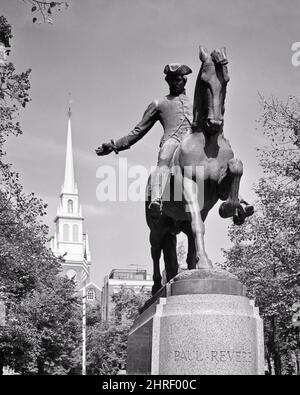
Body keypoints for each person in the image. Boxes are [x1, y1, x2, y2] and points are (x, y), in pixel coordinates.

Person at [96, 63, 193, 216]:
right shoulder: (158, 104)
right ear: (167, 81)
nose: (175, 83)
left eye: (179, 80)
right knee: (164, 159)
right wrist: (115, 145)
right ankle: (156, 199)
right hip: (172, 140)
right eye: (172, 80)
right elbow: (139, 130)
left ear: (184, 81)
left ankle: (235, 200)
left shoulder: (195, 103)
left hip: (193, 141)